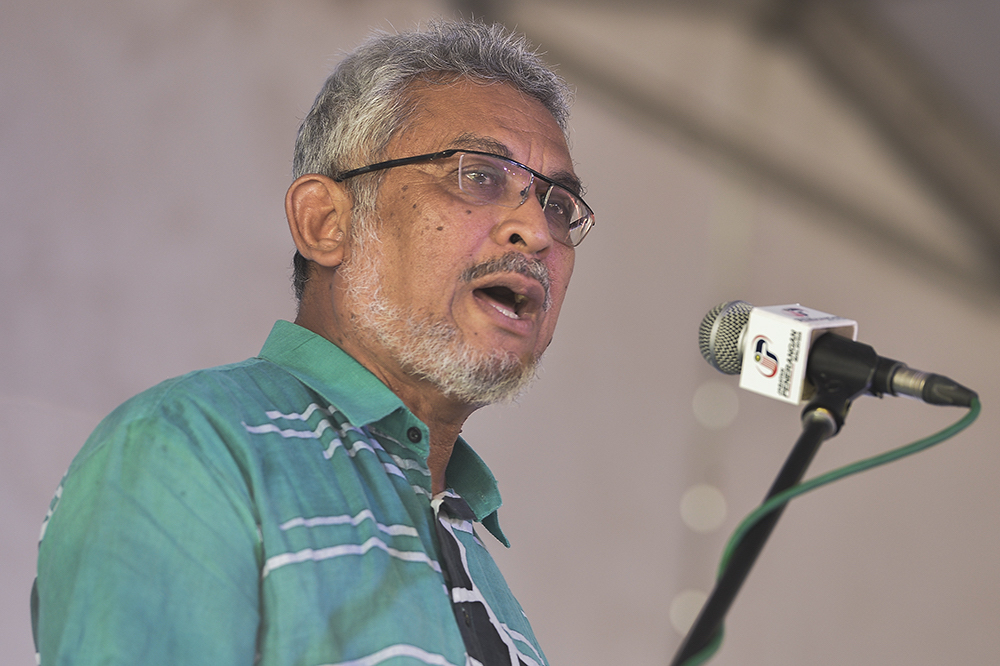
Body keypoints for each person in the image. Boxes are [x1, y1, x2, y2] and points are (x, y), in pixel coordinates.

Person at [32, 19, 594, 666]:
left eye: (558, 204)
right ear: (326, 222)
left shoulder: (465, 535)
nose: (537, 230)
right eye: (478, 176)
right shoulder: (189, 446)